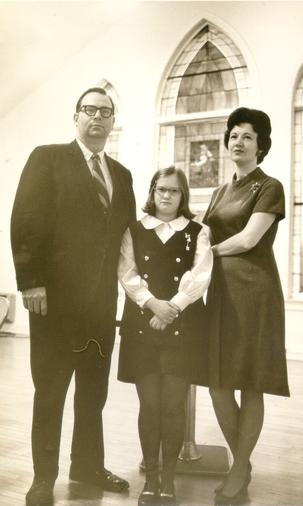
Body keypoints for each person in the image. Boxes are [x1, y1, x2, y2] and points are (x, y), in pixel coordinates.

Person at [11, 87, 136, 506]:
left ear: (113, 121)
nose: (97, 118)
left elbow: (127, 240)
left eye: (105, 111)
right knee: (50, 392)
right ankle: (43, 477)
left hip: (101, 305)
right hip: (54, 303)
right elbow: (26, 221)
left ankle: (86, 465)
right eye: (89, 110)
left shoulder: (122, 175)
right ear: (76, 117)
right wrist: (30, 282)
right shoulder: (47, 158)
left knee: (93, 393)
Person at [203, 107, 290, 505]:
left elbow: (248, 239)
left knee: (251, 384)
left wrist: (206, 256)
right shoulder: (221, 191)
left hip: (255, 294)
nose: (238, 142)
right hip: (220, 294)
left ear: (261, 145)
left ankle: (239, 469)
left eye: (248, 137)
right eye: (234, 134)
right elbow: (201, 236)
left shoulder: (270, 186)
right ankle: (243, 460)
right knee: (219, 385)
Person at [117, 166, 213, 506]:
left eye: (174, 191)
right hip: (143, 324)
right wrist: (152, 304)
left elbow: (200, 275)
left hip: (183, 326)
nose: (167, 196)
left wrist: (171, 308)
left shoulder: (198, 231)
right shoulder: (134, 230)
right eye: (161, 190)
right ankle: (152, 479)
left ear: (183, 195)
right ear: (152, 192)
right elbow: (127, 274)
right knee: (150, 404)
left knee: (173, 405)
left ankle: (169, 480)